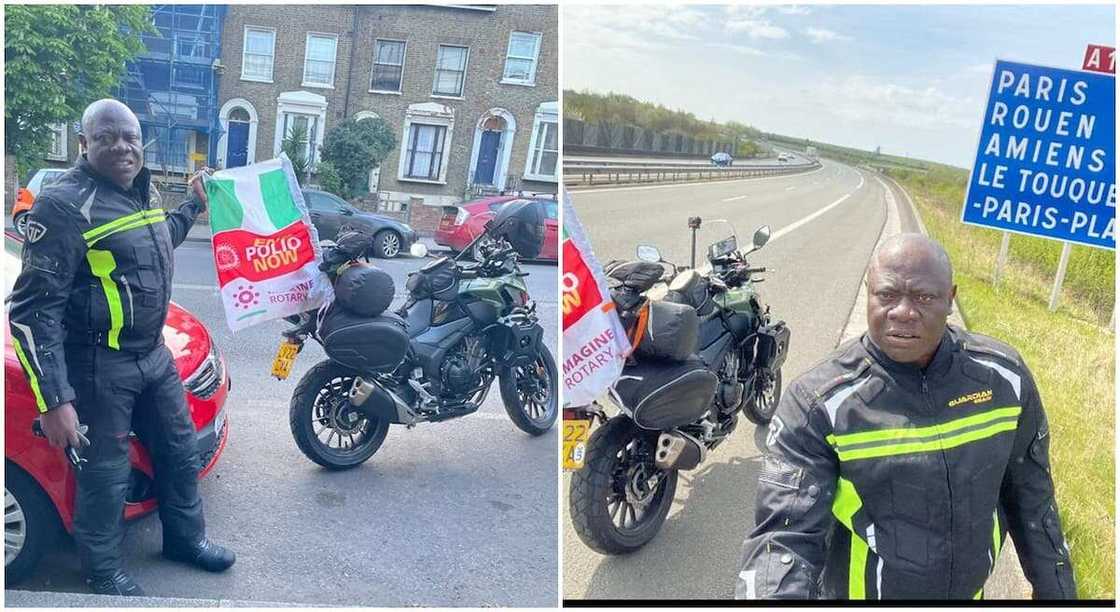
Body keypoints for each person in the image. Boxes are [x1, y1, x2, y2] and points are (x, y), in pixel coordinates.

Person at [735, 233, 1075, 600]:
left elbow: (1032, 498)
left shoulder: (1005, 380)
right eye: (886, 295)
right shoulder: (818, 403)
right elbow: (783, 539)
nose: (902, 312)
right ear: (869, 294)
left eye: (924, 297)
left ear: (951, 299)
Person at [8, 99, 235, 596]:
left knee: (177, 454)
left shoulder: (141, 190)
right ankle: (103, 571)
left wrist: (193, 206)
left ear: (142, 141)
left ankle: (185, 541)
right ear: (84, 143)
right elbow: (31, 312)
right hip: (96, 367)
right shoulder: (64, 205)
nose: (121, 147)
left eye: (129, 137)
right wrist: (54, 400)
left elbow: (158, 240)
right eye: (107, 137)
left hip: (153, 357)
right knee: (105, 479)